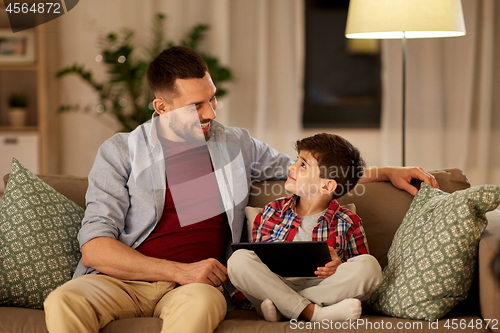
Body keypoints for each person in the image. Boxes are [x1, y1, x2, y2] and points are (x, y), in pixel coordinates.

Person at [43, 46, 439, 333]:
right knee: (63, 299)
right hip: (123, 282)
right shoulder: (120, 152)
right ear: (161, 108)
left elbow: (307, 171)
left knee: (198, 310)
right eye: (196, 107)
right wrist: (179, 270)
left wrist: (387, 171)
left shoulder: (233, 143)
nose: (211, 114)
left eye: (212, 99)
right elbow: (95, 245)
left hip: (198, 288)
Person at [228, 133, 382, 323]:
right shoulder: (271, 211)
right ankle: (313, 313)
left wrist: (339, 266)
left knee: (370, 266)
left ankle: (285, 308)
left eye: (302, 165)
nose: (291, 167)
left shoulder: (348, 221)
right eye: (296, 160)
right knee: (238, 260)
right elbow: (257, 265)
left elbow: (356, 271)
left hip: (322, 287)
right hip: (275, 284)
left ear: (327, 186)